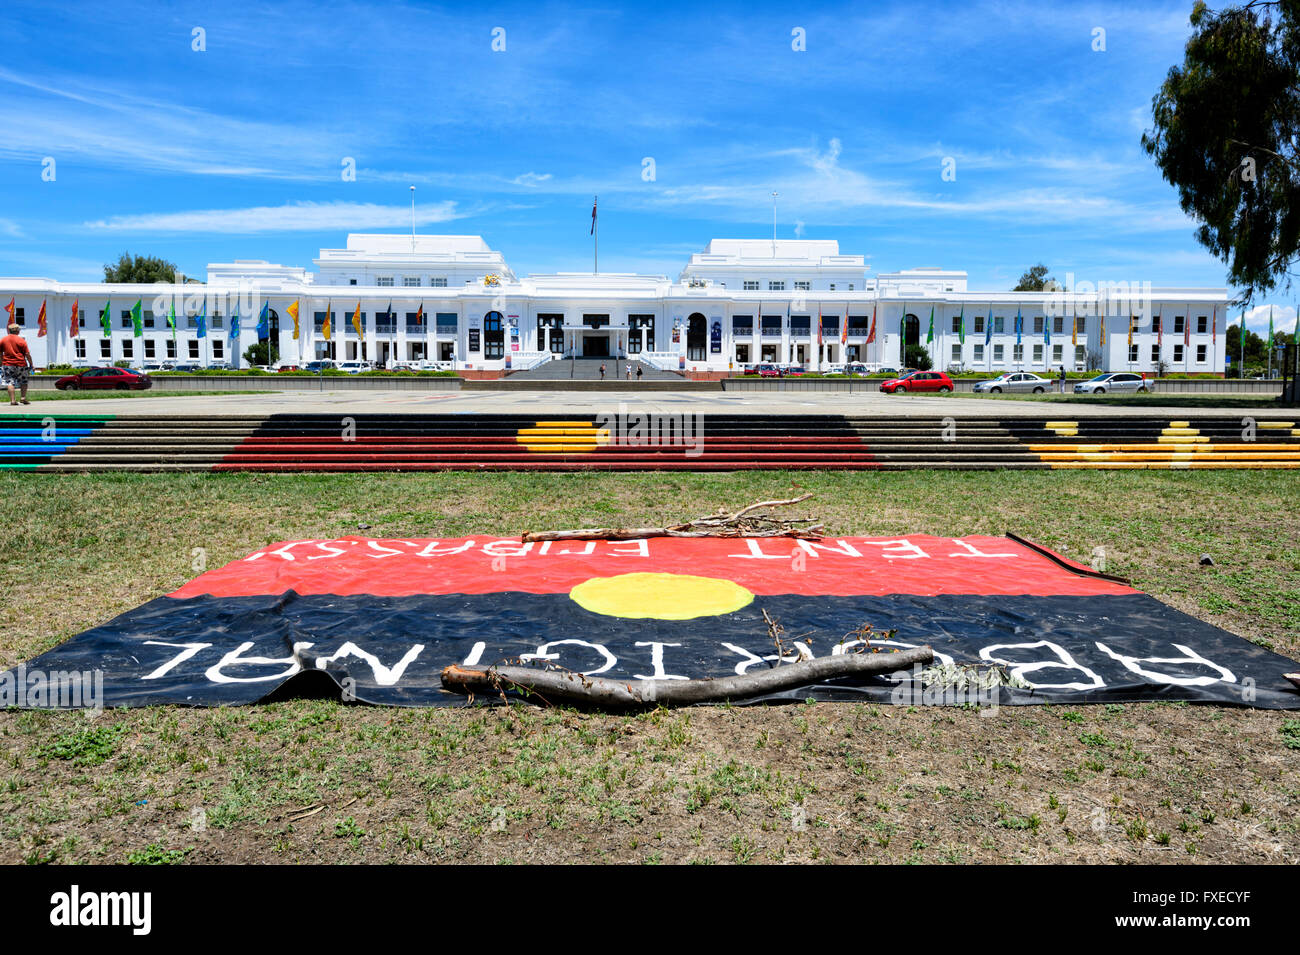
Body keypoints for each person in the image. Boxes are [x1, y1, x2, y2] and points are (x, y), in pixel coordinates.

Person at [1, 323, 33, 406]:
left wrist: (1, 362)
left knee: (9, 382)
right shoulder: (21, 340)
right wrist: (31, 364)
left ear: (9, 330)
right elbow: (27, 354)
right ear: (18, 331)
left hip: (7, 364)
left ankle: (12, 400)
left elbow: (0, 353)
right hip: (21, 364)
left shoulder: (3, 340)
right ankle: (23, 398)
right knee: (23, 381)